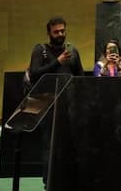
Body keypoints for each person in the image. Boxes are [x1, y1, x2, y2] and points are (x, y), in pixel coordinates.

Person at [27, 16, 84, 189]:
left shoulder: (72, 51)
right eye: (56, 31)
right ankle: (49, 183)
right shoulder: (40, 50)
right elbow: (35, 74)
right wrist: (56, 63)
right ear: (49, 33)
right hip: (47, 105)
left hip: (69, 105)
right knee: (50, 146)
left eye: (62, 31)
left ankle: (69, 181)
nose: (60, 34)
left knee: (70, 145)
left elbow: (80, 76)